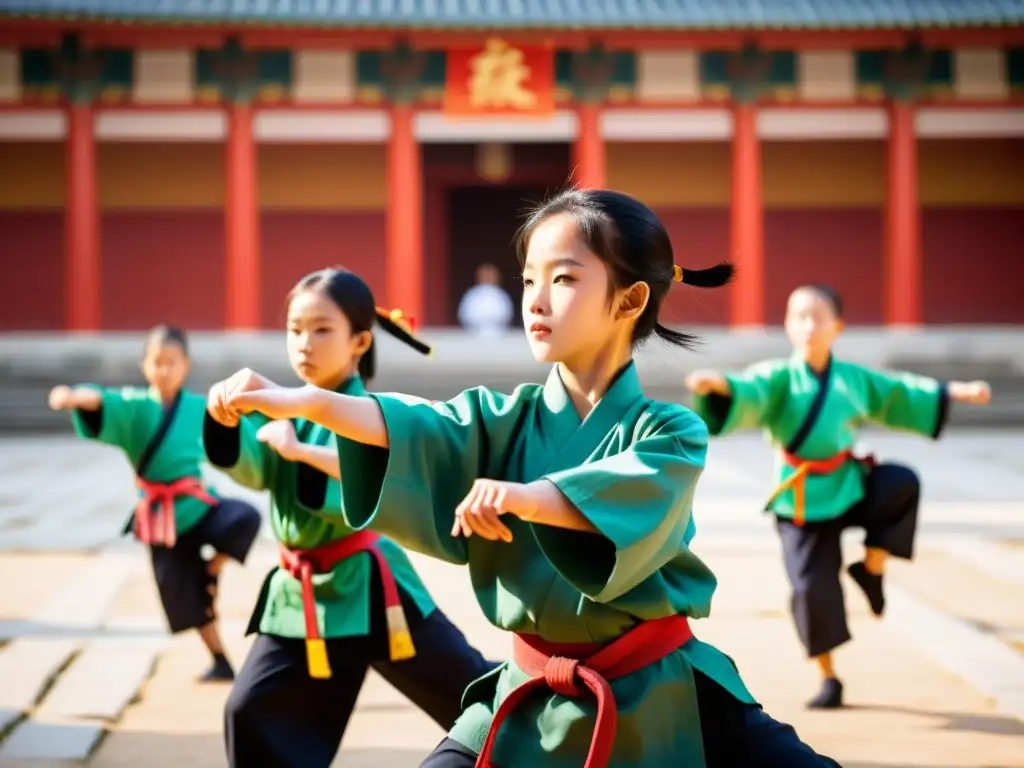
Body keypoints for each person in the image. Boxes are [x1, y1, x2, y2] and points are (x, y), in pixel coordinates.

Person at [211, 190, 842, 767]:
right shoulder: (502, 418)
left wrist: (531, 499)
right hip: (526, 686)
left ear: (629, 299)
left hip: (655, 681)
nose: (535, 299)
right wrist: (296, 400)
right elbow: (416, 426)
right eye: (529, 279)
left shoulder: (672, 431)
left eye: (564, 278)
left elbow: (622, 494)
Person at [205, 268, 496, 768]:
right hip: (301, 595)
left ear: (360, 340)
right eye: (295, 329)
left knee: (475, 697)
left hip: (373, 593)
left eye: (321, 329)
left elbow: (373, 487)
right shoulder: (286, 410)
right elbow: (253, 469)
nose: (304, 343)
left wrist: (302, 452)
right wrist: (222, 417)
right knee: (250, 710)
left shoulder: (367, 411)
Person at [685, 284, 992, 709]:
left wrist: (953, 392)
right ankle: (828, 676)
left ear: (838, 326)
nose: (808, 326)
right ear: (789, 326)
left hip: (847, 484)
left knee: (901, 483)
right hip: (801, 499)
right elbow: (747, 390)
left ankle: (871, 568)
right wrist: (718, 386)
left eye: (818, 317)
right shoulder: (778, 376)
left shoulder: (852, 378)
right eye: (799, 317)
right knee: (812, 590)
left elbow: (897, 392)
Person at [48, 325, 262, 682]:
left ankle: (213, 569)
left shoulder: (198, 407)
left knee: (244, 517)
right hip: (161, 520)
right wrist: (72, 397)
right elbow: (99, 399)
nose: (164, 370)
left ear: (186, 366)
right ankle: (220, 660)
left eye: (172, 362)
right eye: (157, 362)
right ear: (145, 366)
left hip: (197, 506)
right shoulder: (134, 406)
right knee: (186, 597)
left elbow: (235, 425)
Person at [457, 262, 514, 337]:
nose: (487, 277)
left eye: (490, 275)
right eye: (485, 275)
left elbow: (507, 314)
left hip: (498, 334)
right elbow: (464, 314)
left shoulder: (501, 295)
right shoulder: (472, 294)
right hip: (474, 334)